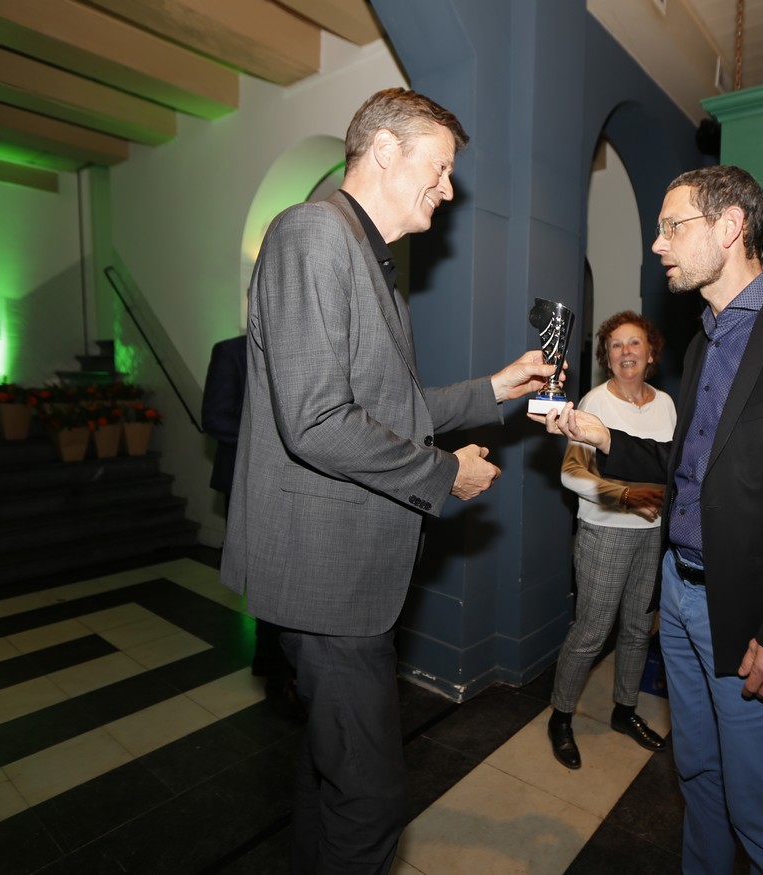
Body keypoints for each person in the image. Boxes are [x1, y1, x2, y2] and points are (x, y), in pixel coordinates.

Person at [219, 88, 557, 875]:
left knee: (330, 773)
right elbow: (316, 421)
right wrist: (445, 472)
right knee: (370, 801)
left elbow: (387, 407)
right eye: (438, 168)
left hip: (343, 578)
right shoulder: (313, 233)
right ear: (382, 150)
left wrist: (494, 389)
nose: (447, 188)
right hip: (324, 579)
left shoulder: (363, 255)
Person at [538, 165, 763, 874]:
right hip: (682, 593)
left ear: (729, 227)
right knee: (697, 776)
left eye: (672, 226)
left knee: (761, 808)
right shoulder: (703, 342)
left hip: (756, 617)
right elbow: (688, 466)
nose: (657, 244)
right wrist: (602, 436)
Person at [548, 310, 676, 769]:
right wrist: (626, 497)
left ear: (651, 353)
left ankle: (625, 709)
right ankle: (561, 716)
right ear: (607, 356)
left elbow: (671, 468)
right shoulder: (594, 403)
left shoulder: (667, 404)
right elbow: (571, 474)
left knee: (640, 630)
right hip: (605, 532)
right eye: (616, 345)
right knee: (591, 632)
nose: (626, 352)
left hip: (654, 535)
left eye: (634, 342)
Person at [202, 334, 302, 719]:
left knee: (289, 579)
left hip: (293, 485)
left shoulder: (300, 348)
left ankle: (281, 663)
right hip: (246, 482)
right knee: (265, 577)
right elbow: (214, 418)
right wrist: (273, 445)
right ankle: (275, 671)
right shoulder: (229, 351)